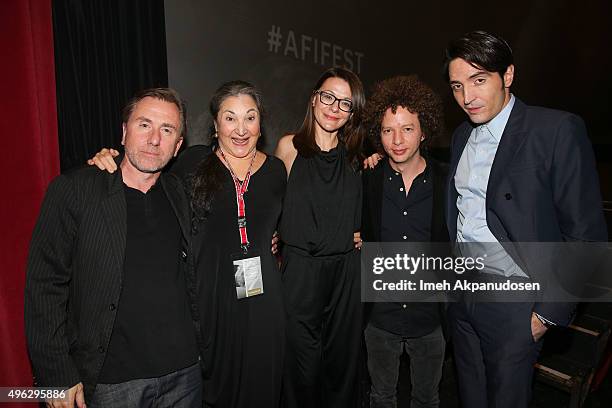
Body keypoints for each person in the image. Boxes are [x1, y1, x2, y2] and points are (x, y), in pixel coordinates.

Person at [88, 81, 286, 408]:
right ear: (215, 125)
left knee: (262, 386)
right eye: (230, 118)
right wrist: (106, 157)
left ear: (260, 124)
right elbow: (142, 171)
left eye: (250, 118)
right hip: (209, 303)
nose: (241, 129)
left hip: (263, 303)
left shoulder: (277, 172)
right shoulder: (191, 164)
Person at [443, 30, 607, 408]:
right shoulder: (460, 137)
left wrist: (548, 314)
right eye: (456, 86)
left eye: (479, 80)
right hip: (464, 296)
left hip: (516, 303)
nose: (467, 97)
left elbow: (586, 235)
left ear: (509, 75)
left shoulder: (555, 130)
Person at [25, 88, 202, 407]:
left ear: (177, 146)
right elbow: (44, 286)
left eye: (167, 130)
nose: (154, 139)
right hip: (111, 384)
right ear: (124, 131)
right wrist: (56, 375)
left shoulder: (181, 193)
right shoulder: (76, 190)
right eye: (144, 124)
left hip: (185, 376)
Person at [274, 67, 365, 408]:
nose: (334, 107)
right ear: (314, 99)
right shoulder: (288, 147)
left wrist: (365, 236)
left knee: (341, 365)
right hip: (299, 273)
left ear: (352, 111)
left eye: (345, 102)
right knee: (299, 366)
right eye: (328, 97)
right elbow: (263, 200)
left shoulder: (358, 157)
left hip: (346, 273)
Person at [361, 75, 448, 408]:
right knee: (381, 396)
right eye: (387, 130)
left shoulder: (448, 180)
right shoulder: (368, 177)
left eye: (407, 129)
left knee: (427, 398)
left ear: (423, 130)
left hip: (430, 318)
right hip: (379, 317)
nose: (397, 140)